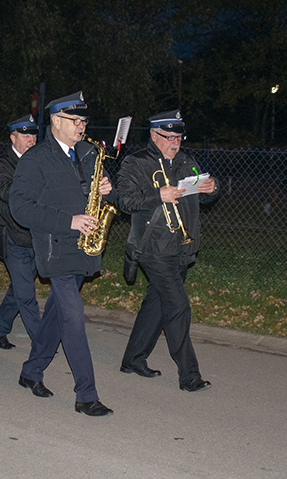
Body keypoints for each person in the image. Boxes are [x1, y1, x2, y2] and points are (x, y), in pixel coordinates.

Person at [9, 91, 115, 417]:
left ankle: (31, 371)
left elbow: (99, 192)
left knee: (56, 314)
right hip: (56, 250)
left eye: (84, 121)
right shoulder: (36, 159)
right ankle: (86, 394)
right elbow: (20, 207)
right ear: (56, 121)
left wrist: (109, 189)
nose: (82, 126)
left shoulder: (88, 153)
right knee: (73, 317)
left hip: (84, 248)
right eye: (75, 120)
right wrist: (69, 221)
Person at [115, 110, 219, 392]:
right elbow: (123, 200)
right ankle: (189, 375)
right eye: (169, 137)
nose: (175, 142)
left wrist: (212, 188)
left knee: (157, 304)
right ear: (154, 135)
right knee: (177, 305)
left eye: (178, 137)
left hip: (183, 245)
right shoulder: (137, 162)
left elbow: (205, 191)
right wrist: (157, 196)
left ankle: (132, 359)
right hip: (153, 247)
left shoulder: (186, 161)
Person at [0, 114, 41, 350]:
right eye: (25, 136)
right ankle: (42, 341)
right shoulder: (0, 165)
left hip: (36, 237)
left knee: (18, 289)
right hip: (13, 238)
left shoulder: (39, 161)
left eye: (34, 136)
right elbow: (8, 194)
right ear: (12, 137)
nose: (31, 140)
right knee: (26, 294)